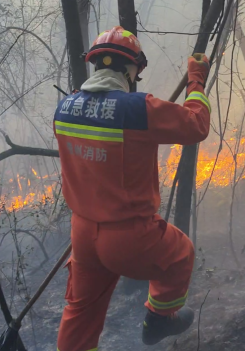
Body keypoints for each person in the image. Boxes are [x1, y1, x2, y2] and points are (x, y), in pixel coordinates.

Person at [54, 26, 211, 351]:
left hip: (82, 234)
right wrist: (196, 78)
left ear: (95, 63)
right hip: (129, 235)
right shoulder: (139, 109)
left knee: (81, 313)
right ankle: (159, 320)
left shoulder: (64, 108)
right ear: (131, 69)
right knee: (180, 254)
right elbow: (196, 125)